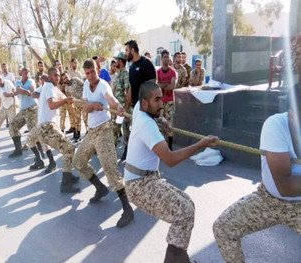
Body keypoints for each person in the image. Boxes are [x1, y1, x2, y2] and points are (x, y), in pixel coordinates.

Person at [124, 81, 218, 262]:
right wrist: (201, 144)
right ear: (145, 103)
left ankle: (182, 260)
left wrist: (161, 119)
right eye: (157, 100)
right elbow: (170, 159)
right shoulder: (146, 125)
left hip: (145, 179)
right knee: (184, 213)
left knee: (188, 204)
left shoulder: (139, 108)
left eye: (161, 98)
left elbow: (150, 112)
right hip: (139, 185)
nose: (161, 103)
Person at [213, 85, 301, 263]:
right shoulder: (275, 125)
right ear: (292, 113)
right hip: (268, 198)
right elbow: (284, 185)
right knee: (223, 228)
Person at [73, 59, 134, 228]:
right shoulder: (86, 84)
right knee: (78, 161)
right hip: (91, 132)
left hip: (104, 130)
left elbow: (112, 100)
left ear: (97, 69)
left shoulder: (103, 85)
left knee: (110, 168)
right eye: (87, 73)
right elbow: (85, 106)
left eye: (92, 71)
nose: (90, 75)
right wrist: (93, 105)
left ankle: (127, 209)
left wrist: (119, 107)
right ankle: (100, 188)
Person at [26, 70, 80, 192]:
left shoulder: (52, 88)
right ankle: (65, 183)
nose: (58, 78)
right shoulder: (49, 85)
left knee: (67, 149)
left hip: (44, 127)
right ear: (49, 76)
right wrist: (65, 101)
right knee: (69, 149)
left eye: (58, 76)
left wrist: (71, 99)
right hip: (47, 127)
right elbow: (52, 104)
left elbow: (64, 97)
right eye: (55, 75)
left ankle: (68, 175)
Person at [8, 67, 41, 158]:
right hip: (23, 110)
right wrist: (25, 91)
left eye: (28, 72)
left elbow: (32, 90)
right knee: (13, 127)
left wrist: (24, 91)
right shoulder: (18, 82)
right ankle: (18, 149)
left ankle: (39, 153)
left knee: (32, 131)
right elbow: (18, 89)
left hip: (32, 109)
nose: (27, 74)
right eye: (25, 72)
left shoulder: (31, 81)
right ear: (21, 74)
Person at [125, 40, 157, 110]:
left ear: (132, 50)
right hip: (136, 108)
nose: (125, 53)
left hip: (146, 107)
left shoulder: (146, 62)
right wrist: (126, 109)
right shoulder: (131, 68)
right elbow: (131, 88)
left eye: (127, 50)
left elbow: (153, 84)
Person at [0, 74, 19, 146]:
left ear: (2, 78)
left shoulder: (7, 82)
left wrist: (14, 92)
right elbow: (5, 94)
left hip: (13, 105)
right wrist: (11, 94)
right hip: (5, 107)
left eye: (0, 79)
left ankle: (18, 146)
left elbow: (13, 89)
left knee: (14, 125)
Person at [113, 52, 131, 160]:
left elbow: (127, 92)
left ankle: (127, 149)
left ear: (121, 61)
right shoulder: (118, 74)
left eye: (117, 60)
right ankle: (112, 150)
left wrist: (125, 108)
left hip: (123, 108)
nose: (115, 62)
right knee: (116, 128)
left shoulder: (126, 74)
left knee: (125, 129)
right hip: (117, 108)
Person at [157, 49, 177, 150]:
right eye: (165, 57)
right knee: (160, 123)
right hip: (160, 101)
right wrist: (165, 85)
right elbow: (157, 85)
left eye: (168, 57)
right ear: (161, 58)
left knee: (169, 123)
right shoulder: (158, 72)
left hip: (169, 100)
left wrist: (162, 85)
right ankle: (162, 146)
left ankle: (169, 146)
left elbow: (172, 86)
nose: (166, 59)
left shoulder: (173, 72)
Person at [61, 71, 88, 142]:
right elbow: (69, 96)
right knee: (77, 121)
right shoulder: (66, 88)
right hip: (76, 105)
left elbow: (84, 85)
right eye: (64, 79)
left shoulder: (76, 80)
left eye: (66, 77)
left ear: (69, 76)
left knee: (86, 119)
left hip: (84, 102)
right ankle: (78, 135)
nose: (66, 79)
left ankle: (88, 133)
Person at [56, 59, 76, 134]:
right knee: (62, 114)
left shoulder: (65, 73)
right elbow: (59, 88)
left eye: (60, 64)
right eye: (57, 65)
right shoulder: (56, 75)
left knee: (72, 113)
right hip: (61, 98)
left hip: (68, 96)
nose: (59, 66)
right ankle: (62, 129)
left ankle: (73, 127)